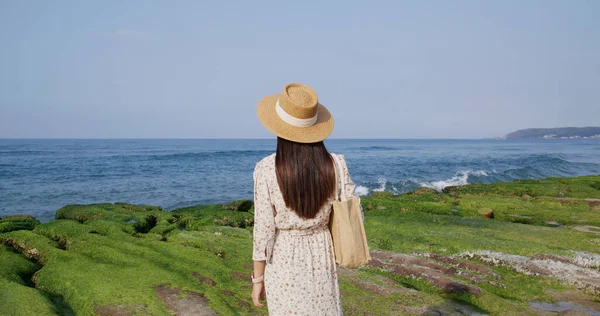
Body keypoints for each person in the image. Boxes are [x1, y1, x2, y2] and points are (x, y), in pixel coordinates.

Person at [250, 83, 358, 315]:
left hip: (283, 256)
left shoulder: (267, 169)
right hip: (321, 251)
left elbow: (263, 232)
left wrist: (257, 279)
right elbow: (348, 208)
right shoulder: (336, 164)